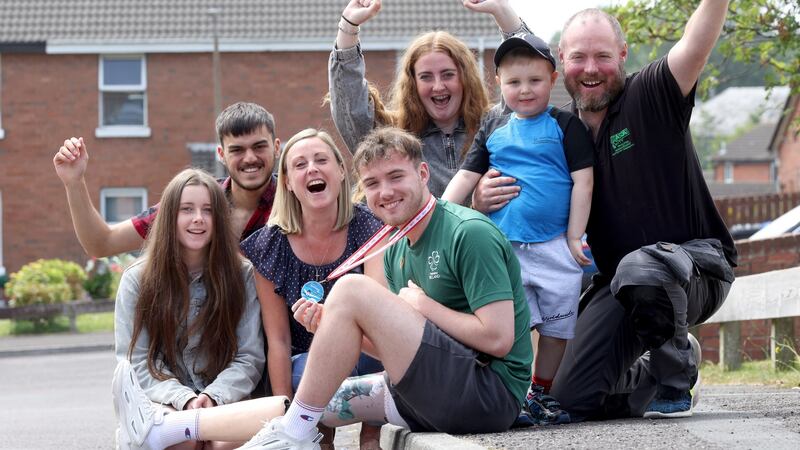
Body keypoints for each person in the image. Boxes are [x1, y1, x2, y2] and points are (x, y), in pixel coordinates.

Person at [473, 2, 737, 420]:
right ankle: (656, 372)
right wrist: (480, 197)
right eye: (578, 57)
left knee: (642, 266)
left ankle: (675, 377)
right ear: (562, 60)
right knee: (568, 395)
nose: (590, 68)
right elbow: (525, 66)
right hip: (618, 284)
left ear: (623, 55)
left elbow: (695, 45)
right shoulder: (561, 133)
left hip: (695, 269)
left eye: (602, 56)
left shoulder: (650, 96)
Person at [442, 32, 594, 425]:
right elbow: (465, 176)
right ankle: (516, 392)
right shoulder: (494, 126)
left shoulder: (566, 125)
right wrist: (437, 217)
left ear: (553, 78)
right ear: (499, 85)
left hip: (556, 245)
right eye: (513, 82)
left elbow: (584, 181)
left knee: (559, 325)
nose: (524, 90)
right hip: (505, 248)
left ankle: (542, 391)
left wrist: (575, 235)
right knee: (512, 325)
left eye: (535, 81)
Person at [239, 128, 386, 449]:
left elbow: (381, 320)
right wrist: (285, 414)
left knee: (376, 342)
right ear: (288, 182)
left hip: (365, 356)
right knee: (303, 372)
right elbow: (278, 340)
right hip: (303, 366)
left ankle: (371, 438)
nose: (312, 169)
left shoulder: (370, 226)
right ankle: (318, 438)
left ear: (341, 170)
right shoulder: (269, 245)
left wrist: (332, 326)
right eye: (300, 165)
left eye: (321, 160)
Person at [113, 168, 265, 450]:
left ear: (219, 219)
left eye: (208, 210)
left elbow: (249, 356)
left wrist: (213, 396)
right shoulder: (137, 279)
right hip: (162, 401)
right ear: (170, 216)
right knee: (184, 439)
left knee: (223, 443)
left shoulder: (241, 274)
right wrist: (184, 398)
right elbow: (136, 361)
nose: (198, 218)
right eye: (187, 209)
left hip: (223, 398)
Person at [330, 0, 525, 197]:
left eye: (448, 74)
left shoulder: (494, 126)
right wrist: (348, 26)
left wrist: (501, 9)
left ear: (465, 78)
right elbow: (350, 107)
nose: (438, 86)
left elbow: (526, 79)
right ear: (413, 83)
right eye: (426, 77)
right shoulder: (392, 139)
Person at [52, 102, 280, 256]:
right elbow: (102, 243)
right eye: (237, 150)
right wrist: (74, 183)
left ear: (276, 148)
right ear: (221, 155)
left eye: (259, 147)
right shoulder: (196, 202)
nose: (250, 158)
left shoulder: (297, 199)